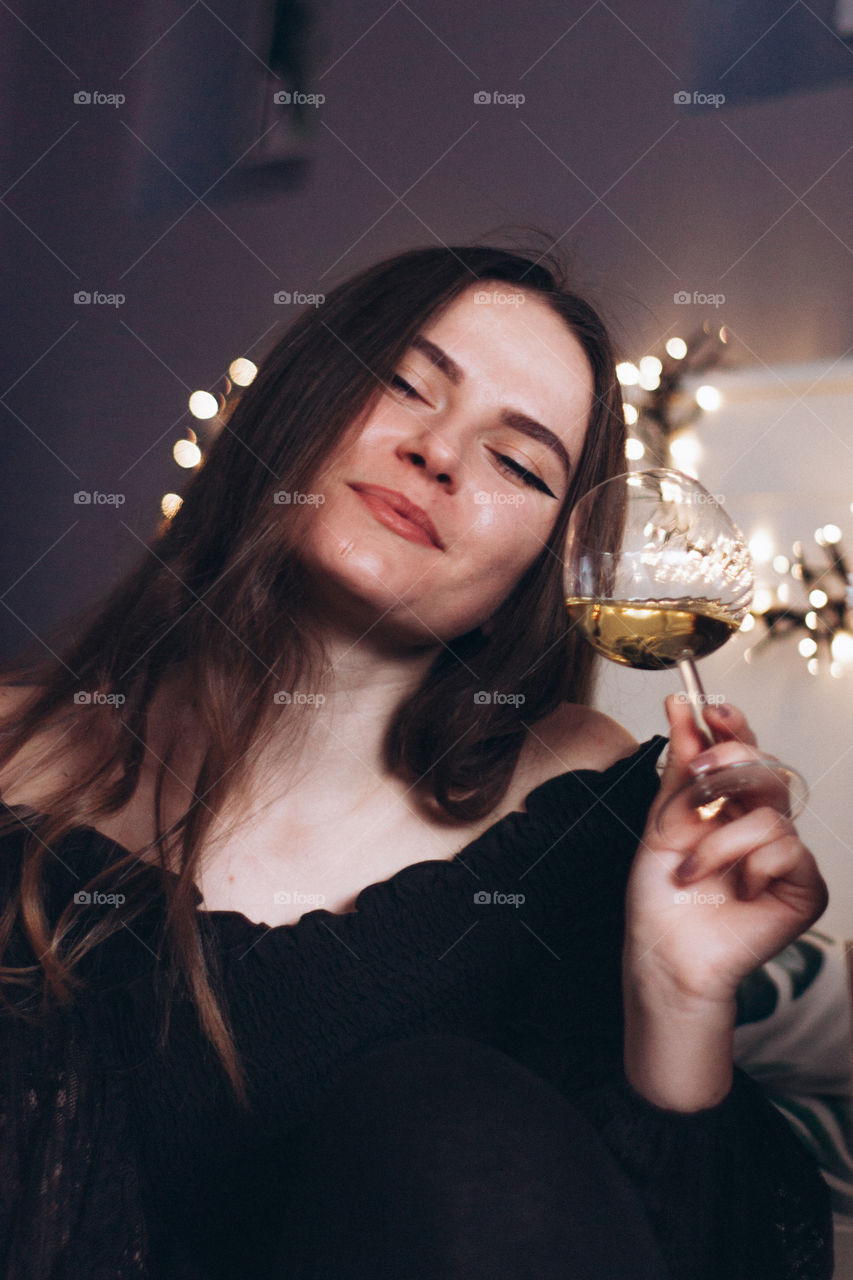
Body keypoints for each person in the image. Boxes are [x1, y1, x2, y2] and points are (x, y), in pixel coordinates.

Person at [0, 241, 833, 1279]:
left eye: (518, 462)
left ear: (539, 569)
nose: (439, 452)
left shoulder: (571, 806)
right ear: (304, 393)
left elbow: (672, 1248)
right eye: (404, 382)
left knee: (444, 1112)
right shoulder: (14, 761)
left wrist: (677, 991)